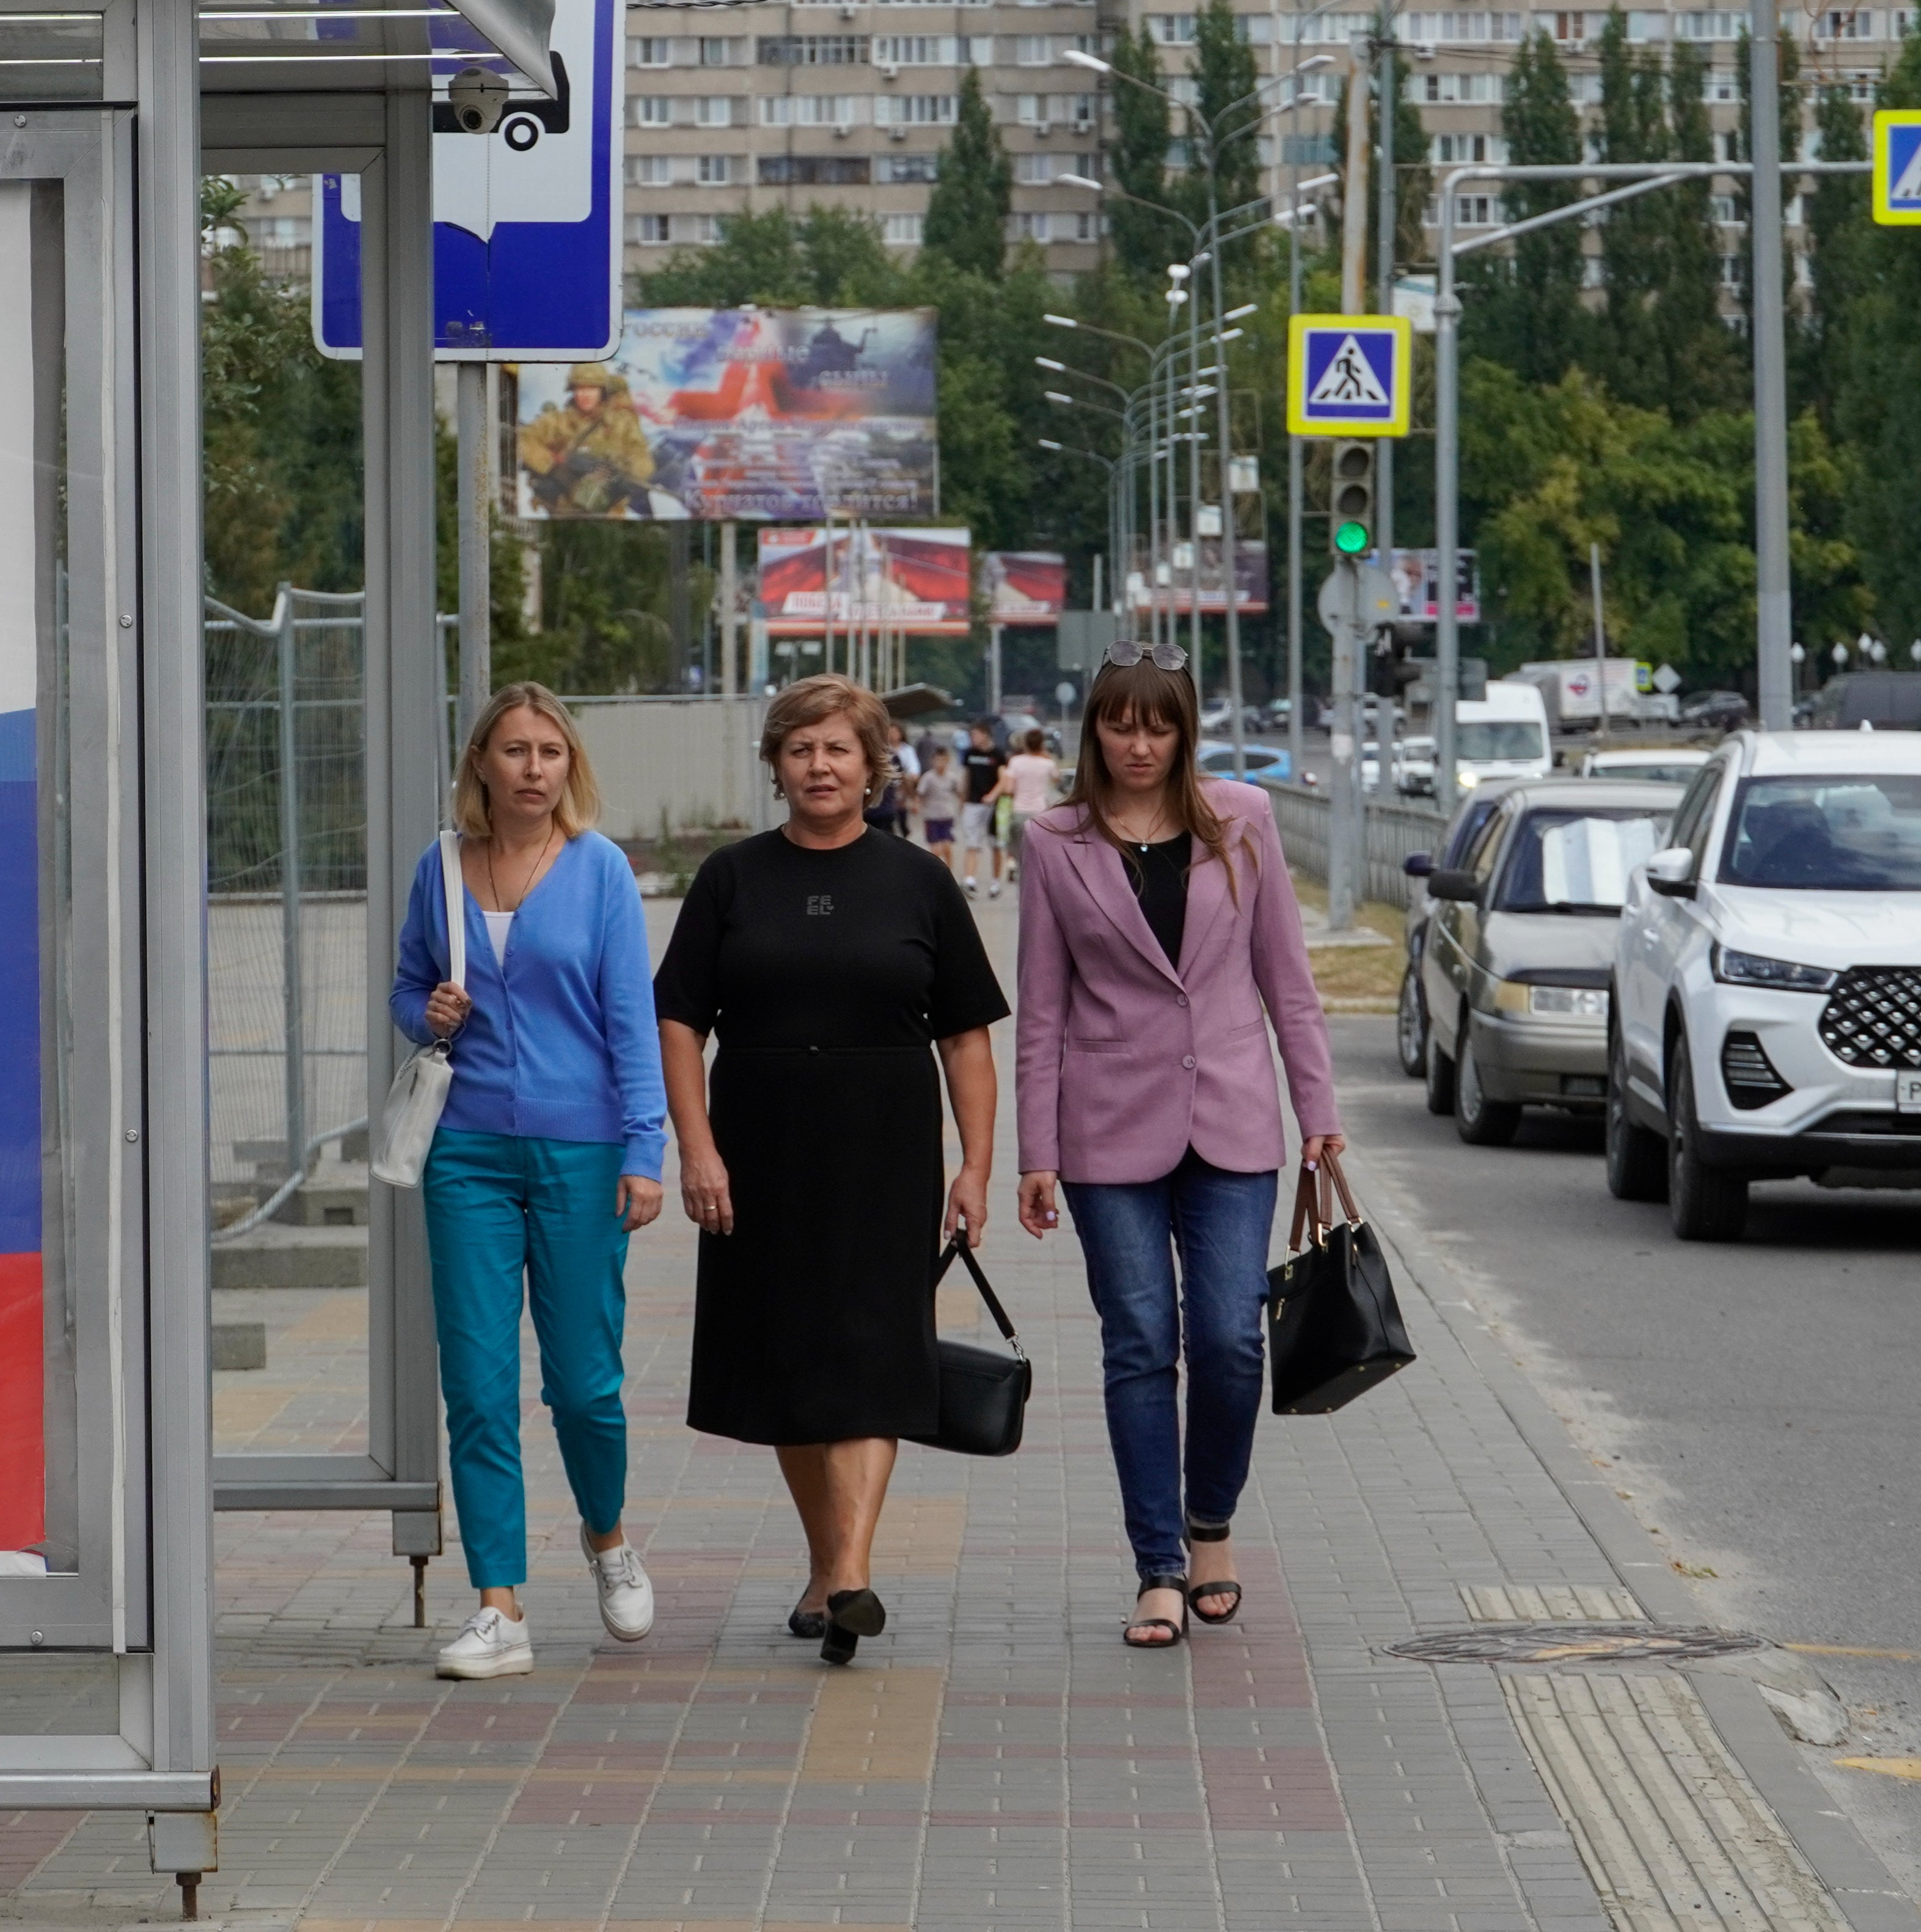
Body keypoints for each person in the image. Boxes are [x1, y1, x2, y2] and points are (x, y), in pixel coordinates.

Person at [656, 675, 1006, 1666]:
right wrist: (696, 1147)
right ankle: (825, 1565)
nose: (818, 765)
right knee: (785, 1362)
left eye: (837, 749)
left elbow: (967, 1040)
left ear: (870, 767)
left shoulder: (918, 880)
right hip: (756, 1145)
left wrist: (976, 1166)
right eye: (800, 748)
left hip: (884, 1146)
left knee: (869, 1355)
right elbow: (678, 1020)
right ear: (775, 764)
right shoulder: (729, 878)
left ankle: (849, 1574)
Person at [1011, 642, 1343, 1650]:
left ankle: (1211, 1527)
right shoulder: (1051, 839)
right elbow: (1038, 1009)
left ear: (1184, 729)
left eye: (1157, 725)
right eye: (1119, 723)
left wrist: (1317, 1108)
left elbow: (1284, 978)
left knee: (1231, 1338)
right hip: (1104, 1129)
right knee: (1139, 1344)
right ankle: (1156, 1564)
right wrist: (1031, 1150)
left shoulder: (1241, 820)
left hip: (1233, 1117)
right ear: (1092, 729)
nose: (1138, 743)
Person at [390, 682, 668, 1681]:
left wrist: (646, 1149)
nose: (533, 767)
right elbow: (404, 988)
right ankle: (497, 1605)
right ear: (481, 763)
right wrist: (432, 1012)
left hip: (582, 1149)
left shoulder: (598, 872)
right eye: (514, 749)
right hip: (462, 1150)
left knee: (584, 1383)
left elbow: (630, 1020)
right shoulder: (438, 865)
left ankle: (605, 1536)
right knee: (475, 1384)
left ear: (569, 765)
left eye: (550, 750)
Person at [517, 363, 659, 519]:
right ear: (573, 390)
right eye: (581, 388)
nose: (586, 395)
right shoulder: (557, 422)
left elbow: (642, 458)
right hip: (560, 512)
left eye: (592, 388)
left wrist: (628, 478)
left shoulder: (621, 424)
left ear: (602, 392)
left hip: (608, 513)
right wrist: (555, 469)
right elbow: (524, 441)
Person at [956, 719, 1006, 899]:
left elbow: (1004, 779)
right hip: (973, 801)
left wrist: (993, 795)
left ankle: (995, 882)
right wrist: (962, 800)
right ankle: (969, 880)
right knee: (972, 841)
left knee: (995, 843)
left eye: (976, 735)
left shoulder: (998, 754)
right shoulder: (970, 753)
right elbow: (966, 777)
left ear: (986, 735)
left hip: (993, 804)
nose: (973, 738)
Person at [913, 742, 962, 855]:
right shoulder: (928, 778)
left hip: (947, 815)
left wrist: (962, 805)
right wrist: (916, 804)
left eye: (943, 760)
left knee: (947, 847)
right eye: (937, 760)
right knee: (936, 849)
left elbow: (959, 792)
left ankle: (948, 870)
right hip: (932, 816)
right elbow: (920, 793)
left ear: (948, 761)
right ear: (932, 762)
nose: (940, 763)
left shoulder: (952, 778)